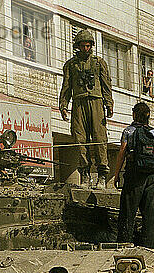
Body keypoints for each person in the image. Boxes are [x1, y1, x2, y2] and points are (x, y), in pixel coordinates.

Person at [59, 29, 113, 189]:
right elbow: (66, 86)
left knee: (99, 138)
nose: (85, 49)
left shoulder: (99, 63)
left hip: (96, 102)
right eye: (82, 46)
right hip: (78, 103)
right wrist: (63, 105)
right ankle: (85, 174)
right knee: (79, 139)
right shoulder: (71, 65)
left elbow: (106, 85)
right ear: (78, 46)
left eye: (88, 46)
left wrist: (109, 104)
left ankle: (102, 174)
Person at [114, 102, 154, 248]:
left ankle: (125, 244)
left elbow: (122, 153)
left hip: (134, 175)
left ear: (134, 114)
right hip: (152, 176)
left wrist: (116, 174)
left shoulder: (128, 131)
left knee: (128, 212)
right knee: (149, 215)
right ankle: (149, 246)